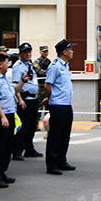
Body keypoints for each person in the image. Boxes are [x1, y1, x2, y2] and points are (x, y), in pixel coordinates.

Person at [0, 51, 22, 188]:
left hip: (10, 113)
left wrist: (23, 80)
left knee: (7, 146)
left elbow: (15, 90)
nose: (8, 65)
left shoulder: (4, 77)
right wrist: (2, 117)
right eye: (7, 62)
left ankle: (2, 172)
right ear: (0, 64)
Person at [44, 40, 76, 175]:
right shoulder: (55, 66)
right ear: (64, 51)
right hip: (57, 105)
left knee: (65, 135)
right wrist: (51, 98)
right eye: (70, 49)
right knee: (55, 135)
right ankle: (52, 164)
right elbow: (47, 85)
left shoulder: (66, 66)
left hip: (67, 105)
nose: (72, 52)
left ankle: (61, 160)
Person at [10, 43, 42, 161]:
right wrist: (20, 99)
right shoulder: (18, 66)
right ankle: (17, 150)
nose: (28, 54)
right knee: (23, 126)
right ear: (20, 53)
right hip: (25, 99)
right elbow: (16, 85)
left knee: (32, 126)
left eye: (29, 51)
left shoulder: (30, 64)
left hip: (33, 99)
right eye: (25, 52)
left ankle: (29, 148)